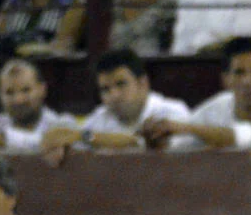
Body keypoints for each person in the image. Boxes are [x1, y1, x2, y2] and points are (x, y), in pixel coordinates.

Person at [142, 35, 251, 152]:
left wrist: (186, 128)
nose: (248, 80)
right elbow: (179, 146)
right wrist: (159, 140)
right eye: (239, 72)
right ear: (226, 80)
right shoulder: (211, 110)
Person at [41, 47, 191, 161]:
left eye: (121, 84)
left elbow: (142, 144)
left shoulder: (172, 111)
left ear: (142, 83)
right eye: (105, 89)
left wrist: (82, 136)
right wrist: (61, 144)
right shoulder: (101, 117)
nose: (114, 95)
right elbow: (74, 142)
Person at [0, 58, 80, 151]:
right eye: (9, 92)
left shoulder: (62, 123)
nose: (18, 100)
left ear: (42, 89)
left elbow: (42, 144)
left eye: (26, 90)